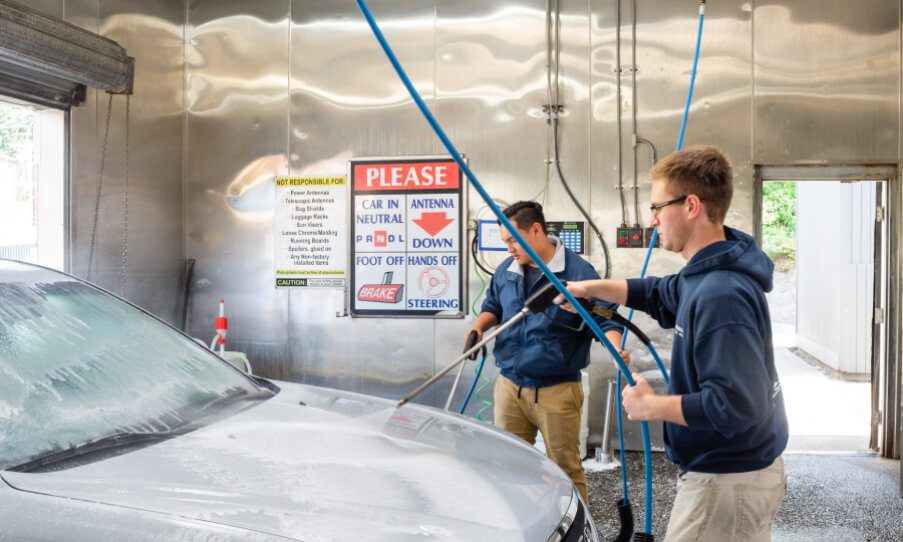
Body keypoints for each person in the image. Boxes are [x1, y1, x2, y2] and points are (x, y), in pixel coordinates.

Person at [561, 146, 789, 541]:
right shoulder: (707, 271)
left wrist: (651, 407)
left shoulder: (722, 294)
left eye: (657, 207)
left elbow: (736, 405)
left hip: (726, 481)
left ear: (691, 206)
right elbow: (656, 292)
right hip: (729, 474)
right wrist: (587, 288)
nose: (652, 220)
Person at [468, 201, 628, 502]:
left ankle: (577, 531)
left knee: (565, 469)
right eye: (505, 242)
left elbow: (604, 316)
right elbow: (493, 305)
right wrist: (478, 328)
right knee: (508, 467)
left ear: (537, 230)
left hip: (556, 390)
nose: (508, 249)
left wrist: (616, 347)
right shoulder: (506, 270)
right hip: (510, 387)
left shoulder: (578, 272)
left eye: (513, 240)